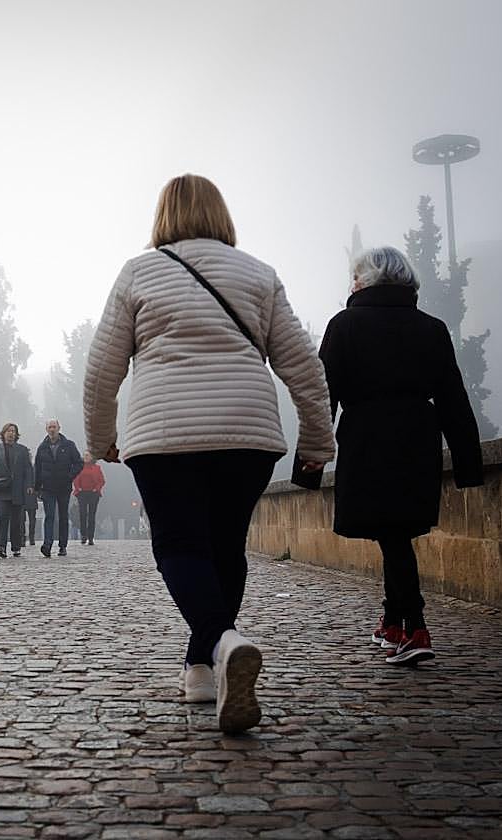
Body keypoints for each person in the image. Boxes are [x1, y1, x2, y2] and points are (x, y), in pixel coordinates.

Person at [83, 174, 335, 734]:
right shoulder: (259, 275)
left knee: (178, 545)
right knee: (225, 550)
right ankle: (201, 671)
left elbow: (103, 370)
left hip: (164, 434)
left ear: (163, 216)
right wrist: (317, 442)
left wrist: (100, 439)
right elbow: (303, 368)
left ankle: (223, 645)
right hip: (247, 433)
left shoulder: (138, 272)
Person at [319, 246, 483, 666]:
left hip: (367, 440)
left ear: (365, 281)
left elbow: (323, 398)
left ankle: (415, 628)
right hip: (416, 440)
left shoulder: (344, 326)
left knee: (391, 534)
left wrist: (311, 459)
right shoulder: (431, 328)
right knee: (396, 533)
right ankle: (393, 622)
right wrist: (468, 463)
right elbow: (453, 399)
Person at [0, 423, 35, 558]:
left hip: (17, 489)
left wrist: (29, 484)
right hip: (1, 488)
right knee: (1, 518)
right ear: (3, 433)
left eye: (13, 431)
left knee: (16, 520)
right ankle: (1, 546)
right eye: (8, 431)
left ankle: (16, 547)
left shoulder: (22, 450)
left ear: (16, 434)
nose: (11, 433)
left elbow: (28, 469)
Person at [34, 419, 83, 558]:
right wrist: (37, 487)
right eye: (49, 427)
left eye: (54, 427)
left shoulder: (68, 445)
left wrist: (70, 476)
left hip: (64, 487)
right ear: (46, 429)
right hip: (47, 488)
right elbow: (37, 468)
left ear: (59, 428)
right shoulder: (42, 447)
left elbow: (79, 463)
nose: (52, 429)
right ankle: (47, 545)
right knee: (49, 516)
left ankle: (62, 546)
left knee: (63, 516)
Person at [73, 450, 106, 545]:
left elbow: (102, 480)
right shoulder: (79, 467)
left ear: (92, 457)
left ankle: (91, 537)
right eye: (85, 455)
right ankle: (83, 535)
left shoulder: (97, 468)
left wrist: (97, 489)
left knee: (92, 515)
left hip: (93, 493)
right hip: (82, 493)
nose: (87, 457)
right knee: (82, 514)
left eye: (88, 455)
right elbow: (75, 478)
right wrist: (78, 488)